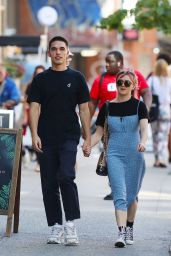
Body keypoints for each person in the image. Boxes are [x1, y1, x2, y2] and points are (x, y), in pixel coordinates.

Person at [27, 36, 91, 245]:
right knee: (48, 183)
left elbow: (84, 109)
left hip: (69, 135)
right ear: (49, 53)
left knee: (66, 176)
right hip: (45, 137)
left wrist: (88, 137)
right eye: (53, 49)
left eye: (61, 49)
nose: (57, 52)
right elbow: (34, 107)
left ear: (67, 52)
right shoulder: (41, 79)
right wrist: (34, 134)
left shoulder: (77, 77)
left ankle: (70, 224)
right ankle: (55, 226)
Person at [91, 69, 148, 247]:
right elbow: (98, 132)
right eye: (119, 82)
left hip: (135, 154)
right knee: (119, 194)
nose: (122, 85)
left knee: (132, 195)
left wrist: (144, 142)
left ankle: (130, 227)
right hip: (114, 153)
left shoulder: (139, 106)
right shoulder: (107, 107)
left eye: (127, 83)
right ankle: (121, 233)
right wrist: (87, 145)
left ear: (133, 86)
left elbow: (144, 129)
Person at [89, 51, 151, 200]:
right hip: (110, 124)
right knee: (111, 156)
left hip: (131, 122)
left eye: (110, 61)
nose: (107, 64)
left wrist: (145, 112)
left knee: (131, 155)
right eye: (106, 61)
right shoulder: (100, 79)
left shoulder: (133, 75)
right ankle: (116, 188)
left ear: (120, 63)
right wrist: (85, 125)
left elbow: (147, 93)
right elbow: (92, 103)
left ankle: (131, 190)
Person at [147, 59, 171, 167]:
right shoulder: (169, 80)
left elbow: (147, 95)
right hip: (166, 110)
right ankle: (162, 159)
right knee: (163, 136)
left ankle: (157, 159)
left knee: (155, 135)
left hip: (154, 110)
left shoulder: (151, 80)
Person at [23, 65, 46, 171]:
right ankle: (39, 161)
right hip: (33, 115)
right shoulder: (30, 85)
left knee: (43, 139)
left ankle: (41, 161)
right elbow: (25, 102)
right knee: (35, 138)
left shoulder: (48, 84)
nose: (39, 75)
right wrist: (25, 116)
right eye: (37, 73)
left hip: (45, 116)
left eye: (41, 72)